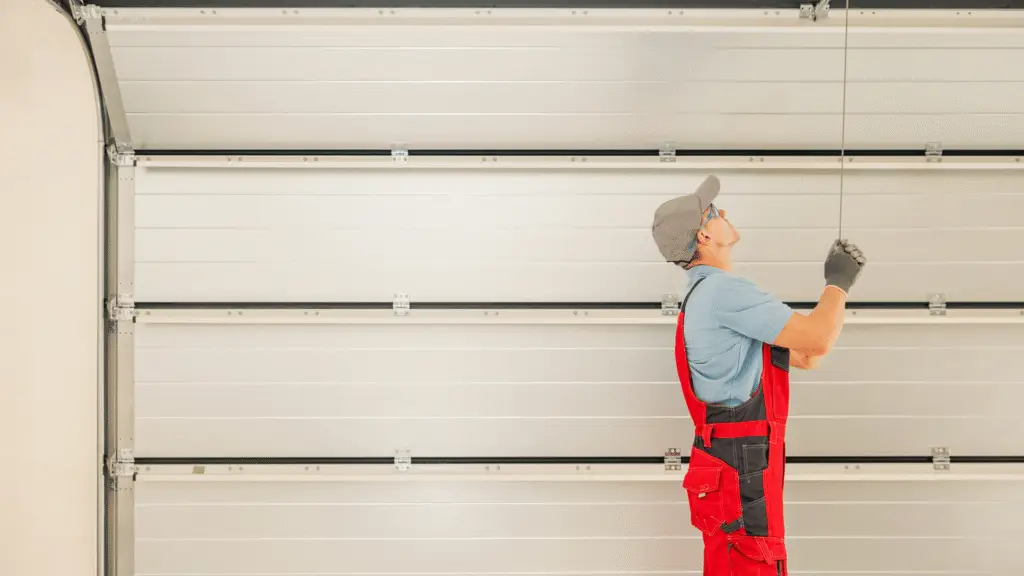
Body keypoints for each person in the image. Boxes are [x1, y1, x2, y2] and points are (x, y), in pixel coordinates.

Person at [650, 175, 867, 576]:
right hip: (742, 463)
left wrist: (827, 307)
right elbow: (818, 340)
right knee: (754, 563)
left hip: (727, 460)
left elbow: (805, 356)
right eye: (714, 212)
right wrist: (838, 283)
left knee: (736, 563)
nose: (724, 213)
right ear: (703, 235)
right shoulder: (723, 292)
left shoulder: (702, 297)